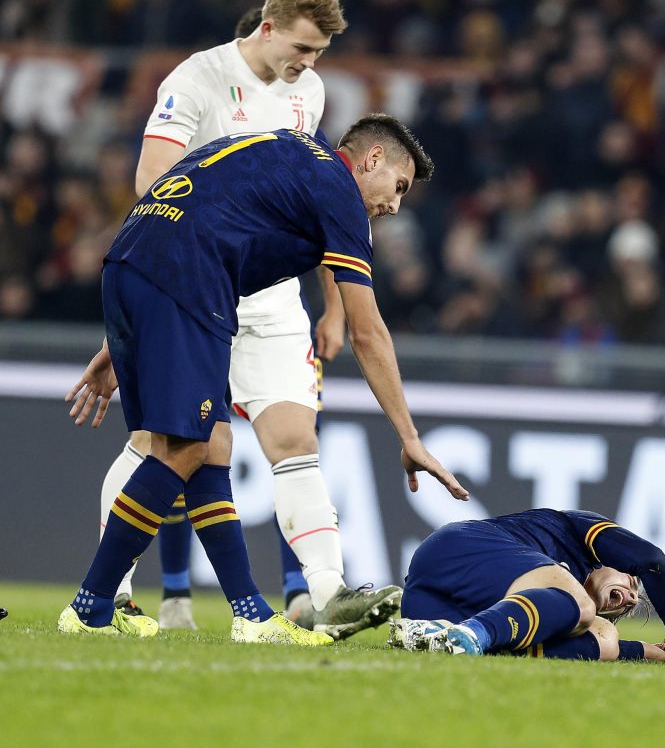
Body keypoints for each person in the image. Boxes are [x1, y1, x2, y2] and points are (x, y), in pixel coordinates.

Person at [59, 115, 468, 644]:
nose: (394, 205)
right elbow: (368, 332)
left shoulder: (290, 149)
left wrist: (120, 338)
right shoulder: (338, 190)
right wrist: (410, 437)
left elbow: (198, 205)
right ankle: (91, 604)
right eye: (398, 186)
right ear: (370, 160)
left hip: (131, 263)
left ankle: (251, 614)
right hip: (190, 279)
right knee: (180, 449)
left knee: (211, 443)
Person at [92, 0, 396, 640]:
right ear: (267, 26)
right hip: (196, 282)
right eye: (303, 48)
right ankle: (110, 595)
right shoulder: (196, 79)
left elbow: (317, 205)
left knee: (295, 442)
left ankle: (329, 594)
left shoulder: (307, 92)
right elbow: (152, 183)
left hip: (272, 295)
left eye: (317, 54)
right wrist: (156, 293)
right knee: (161, 444)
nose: (309, 65)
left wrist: (332, 307)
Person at [391, 509, 665, 665]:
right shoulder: (577, 532)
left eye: (632, 602)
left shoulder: (551, 607)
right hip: (456, 547)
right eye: (632, 581)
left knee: (605, 639)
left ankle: (446, 636)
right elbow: (653, 561)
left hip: (428, 607)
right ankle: (474, 636)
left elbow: (604, 640)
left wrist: (650, 652)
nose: (631, 596)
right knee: (583, 610)